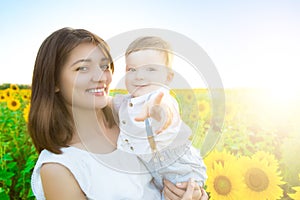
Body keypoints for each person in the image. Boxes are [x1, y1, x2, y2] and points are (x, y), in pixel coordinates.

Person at [28, 27, 208, 200]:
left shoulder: (126, 117)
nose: (101, 77)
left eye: (104, 66)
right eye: (82, 68)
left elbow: (162, 105)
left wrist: (194, 194)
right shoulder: (58, 168)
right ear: (54, 82)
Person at [111, 36, 207, 198]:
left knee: (181, 194)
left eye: (150, 69)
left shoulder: (162, 98)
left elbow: (165, 109)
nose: (139, 76)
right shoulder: (126, 102)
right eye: (131, 69)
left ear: (168, 78)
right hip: (154, 174)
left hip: (181, 171)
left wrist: (157, 111)